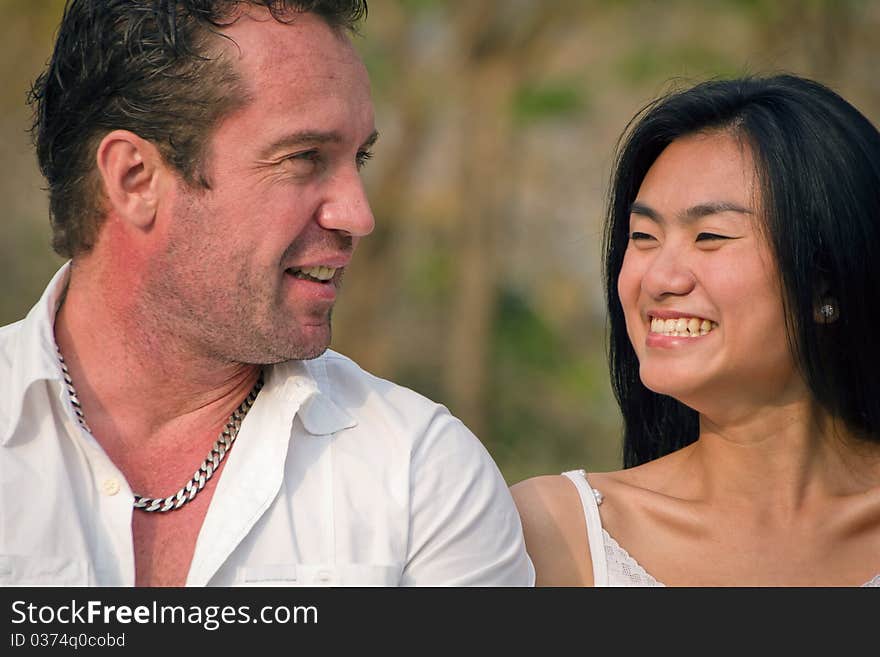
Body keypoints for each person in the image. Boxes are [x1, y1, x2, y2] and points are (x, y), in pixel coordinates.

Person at [0, 0, 533, 587]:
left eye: (358, 159)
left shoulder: (420, 477)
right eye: (305, 158)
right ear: (135, 179)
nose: (358, 215)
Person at [512, 74, 880, 586]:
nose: (659, 279)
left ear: (826, 281)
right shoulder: (554, 532)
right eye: (643, 236)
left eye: (709, 236)